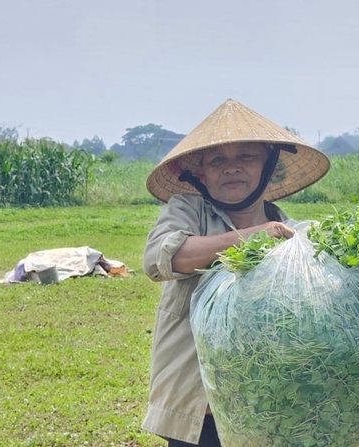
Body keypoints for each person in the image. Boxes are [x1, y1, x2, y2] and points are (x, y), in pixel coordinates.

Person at [141, 98, 330, 446]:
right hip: (203, 407)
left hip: (269, 404)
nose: (231, 168)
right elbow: (160, 258)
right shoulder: (189, 210)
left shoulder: (292, 234)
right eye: (217, 160)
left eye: (245, 157)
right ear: (201, 173)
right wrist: (253, 236)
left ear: (269, 166)